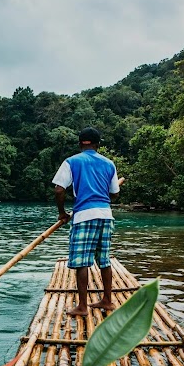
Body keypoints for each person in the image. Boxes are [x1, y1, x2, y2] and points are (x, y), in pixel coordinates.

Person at [52, 126, 120, 316]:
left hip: (84, 216)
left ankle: (82, 306)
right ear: (98, 144)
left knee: (82, 261)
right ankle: (107, 300)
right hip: (105, 215)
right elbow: (115, 193)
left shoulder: (72, 161)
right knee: (104, 260)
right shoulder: (109, 164)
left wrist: (62, 213)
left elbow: (59, 189)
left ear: (80, 143)